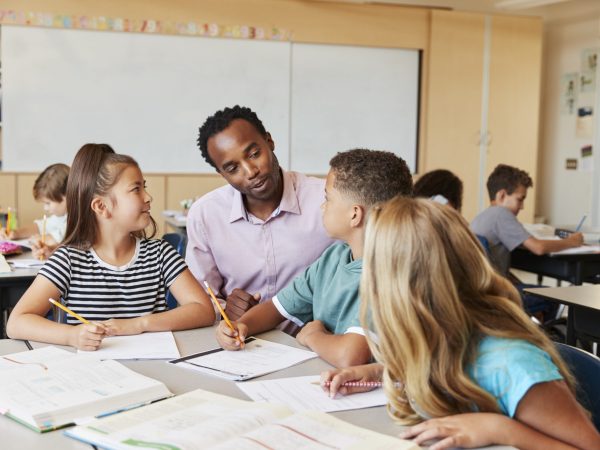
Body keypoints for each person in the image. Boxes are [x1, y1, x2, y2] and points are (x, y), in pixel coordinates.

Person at [321, 197, 600, 450]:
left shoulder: (511, 364)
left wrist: (501, 429)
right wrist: (380, 372)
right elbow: (447, 363)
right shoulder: (440, 333)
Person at [216, 149, 413, 367]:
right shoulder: (334, 258)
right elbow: (275, 308)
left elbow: (351, 356)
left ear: (355, 214)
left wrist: (312, 335)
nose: (322, 206)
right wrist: (241, 326)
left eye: (328, 199)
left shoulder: (387, 273)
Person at [7, 144, 215, 350]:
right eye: (136, 189)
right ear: (101, 206)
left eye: (145, 186)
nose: (148, 197)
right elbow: (16, 323)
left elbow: (203, 310)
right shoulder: (69, 260)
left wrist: (139, 324)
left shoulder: (160, 254)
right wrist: (71, 335)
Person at [188, 105, 334, 322]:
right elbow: (200, 297)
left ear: (269, 141)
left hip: (314, 344)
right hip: (241, 345)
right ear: (221, 174)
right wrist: (225, 310)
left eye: (254, 154)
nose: (250, 172)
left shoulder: (326, 200)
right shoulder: (206, 214)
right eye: (232, 168)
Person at [471, 164, 582, 321]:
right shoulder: (501, 214)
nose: (522, 207)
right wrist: (572, 242)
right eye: (520, 199)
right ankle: (546, 338)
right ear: (502, 195)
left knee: (532, 293)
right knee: (553, 296)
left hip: (482, 292)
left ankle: (533, 325)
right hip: (496, 295)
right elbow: (538, 248)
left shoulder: (481, 217)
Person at [0, 163, 70, 259]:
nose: (45, 208)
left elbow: (58, 238)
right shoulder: (61, 216)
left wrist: (39, 239)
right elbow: (40, 226)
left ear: (68, 196)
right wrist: (16, 233)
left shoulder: (79, 218)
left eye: (48, 203)